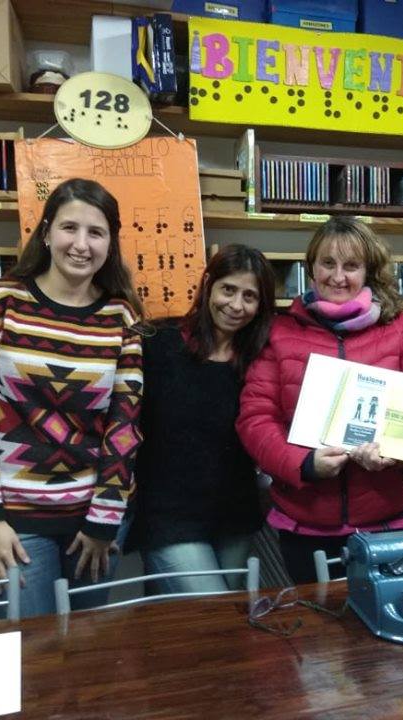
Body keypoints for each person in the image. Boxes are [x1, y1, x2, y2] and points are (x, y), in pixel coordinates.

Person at [0, 178, 145, 617]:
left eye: (95, 233)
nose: (81, 244)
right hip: (13, 521)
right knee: (30, 659)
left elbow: (124, 425)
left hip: (93, 522)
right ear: (45, 233)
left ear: (110, 244)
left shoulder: (121, 317)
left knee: (83, 657)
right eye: (68, 228)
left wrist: (104, 520)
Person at [237, 216, 403, 584]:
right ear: (311, 269)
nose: (338, 276)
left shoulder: (399, 328)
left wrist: (393, 450)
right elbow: (255, 418)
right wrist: (304, 463)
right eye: (328, 264)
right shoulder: (280, 332)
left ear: (367, 271)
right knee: (320, 633)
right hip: (307, 523)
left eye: (351, 266)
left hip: (392, 520)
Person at [123, 244, 276, 592]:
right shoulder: (157, 343)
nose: (236, 305)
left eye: (250, 296)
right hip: (168, 515)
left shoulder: (259, 359)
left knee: (215, 621)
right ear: (208, 284)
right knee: (217, 612)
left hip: (234, 512)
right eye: (228, 290)